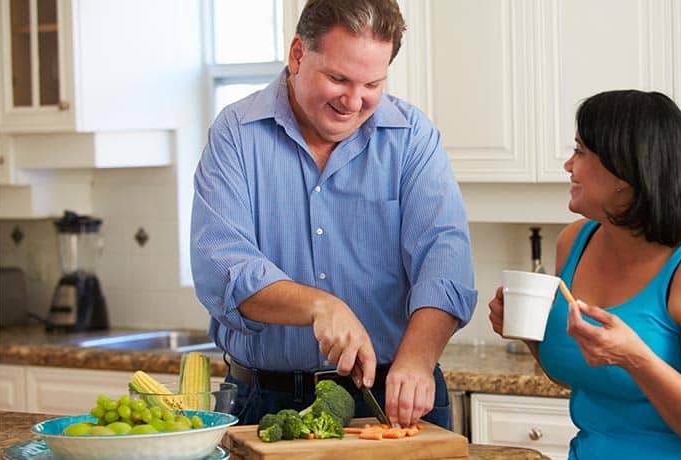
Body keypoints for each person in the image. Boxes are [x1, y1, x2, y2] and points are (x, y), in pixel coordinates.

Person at [191, 0, 476, 430]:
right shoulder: (235, 134)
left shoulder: (412, 138)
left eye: (372, 84)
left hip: (389, 394)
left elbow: (444, 261)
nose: (354, 101)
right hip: (264, 401)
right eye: (338, 79)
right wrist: (319, 306)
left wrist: (418, 359)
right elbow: (223, 265)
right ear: (298, 55)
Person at [488, 90, 681, 459]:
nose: (568, 166)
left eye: (581, 152)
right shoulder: (575, 241)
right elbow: (587, 375)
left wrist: (636, 359)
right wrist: (528, 337)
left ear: (625, 171)